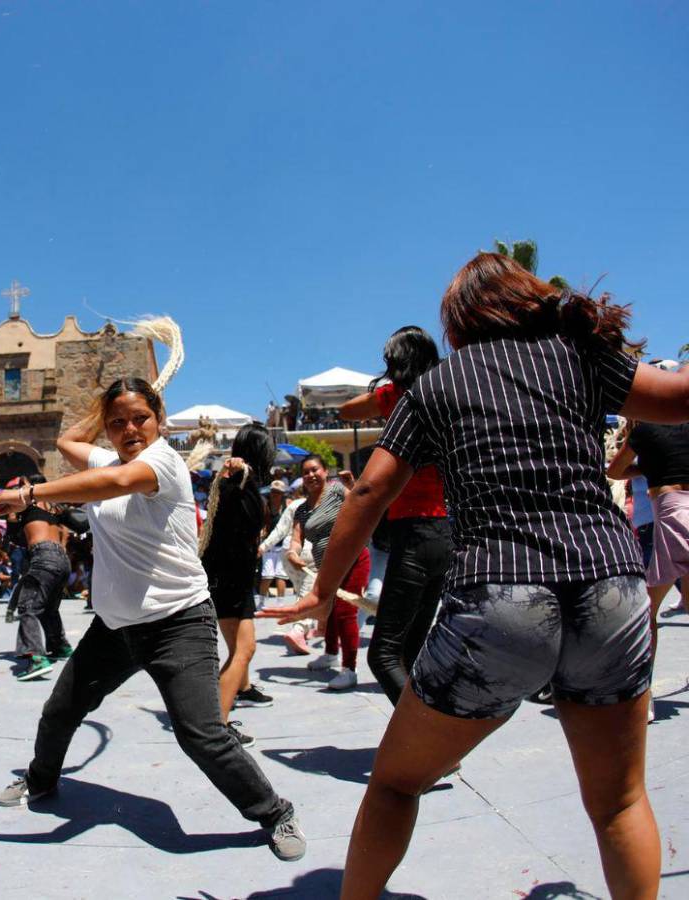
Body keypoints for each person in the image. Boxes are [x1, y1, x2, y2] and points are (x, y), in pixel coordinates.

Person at [266, 252, 685, 899]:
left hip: (503, 593)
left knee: (397, 783)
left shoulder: (437, 385)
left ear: (458, 326)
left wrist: (322, 590)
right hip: (612, 587)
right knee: (620, 803)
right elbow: (679, 398)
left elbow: (368, 489)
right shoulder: (577, 358)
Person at [0, 377, 305, 861]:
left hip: (177, 623)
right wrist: (105, 408)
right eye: (118, 423)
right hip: (114, 627)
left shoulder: (163, 462)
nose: (129, 429)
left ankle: (276, 812)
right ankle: (40, 779)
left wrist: (31, 492)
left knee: (200, 735)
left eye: (140, 418)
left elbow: (114, 484)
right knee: (60, 711)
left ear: (158, 417)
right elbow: (66, 442)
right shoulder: (108, 456)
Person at [337, 326, 453, 706]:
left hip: (413, 534)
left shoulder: (397, 397)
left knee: (383, 655)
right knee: (411, 651)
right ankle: (424, 751)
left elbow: (347, 410)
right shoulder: (446, 394)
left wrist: (386, 390)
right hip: (447, 534)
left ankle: (429, 743)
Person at [259, 456, 367, 690]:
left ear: (325, 471)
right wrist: (293, 553)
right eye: (306, 472)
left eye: (314, 469)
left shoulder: (337, 491)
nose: (310, 475)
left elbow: (362, 508)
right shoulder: (303, 508)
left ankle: (350, 669)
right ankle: (330, 654)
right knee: (327, 611)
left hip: (352, 560)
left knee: (345, 613)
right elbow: (297, 538)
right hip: (326, 566)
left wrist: (352, 486)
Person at [199, 424, 278, 744]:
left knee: (238, 645)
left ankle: (241, 689)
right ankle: (217, 724)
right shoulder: (242, 481)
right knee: (245, 648)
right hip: (231, 577)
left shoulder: (237, 480)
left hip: (227, 576)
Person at [606, 392, 689, 675]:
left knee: (646, 609)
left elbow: (615, 470)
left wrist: (646, 467)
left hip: (672, 513)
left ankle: (644, 688)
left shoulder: (645, 431)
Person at [10, 474, 75, 682]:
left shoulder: (26, 499)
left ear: (30, 485)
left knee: (28, 607)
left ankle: (36, 659)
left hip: (43, 555)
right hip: (62, 559)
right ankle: (60, 646)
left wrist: (2, 509)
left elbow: (7, 517)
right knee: (48, 608)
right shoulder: (53, 505)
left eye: (23, 483)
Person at [258, 480, 290, 607]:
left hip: (283, 546)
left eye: (278, 492)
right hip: (268, 546)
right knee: (267, 575)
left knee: (280, 575)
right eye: (273, 492)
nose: (275, 495)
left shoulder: (287, 508)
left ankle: (280, 604)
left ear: (282, 494)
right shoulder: (264, 507)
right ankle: (261, 603)